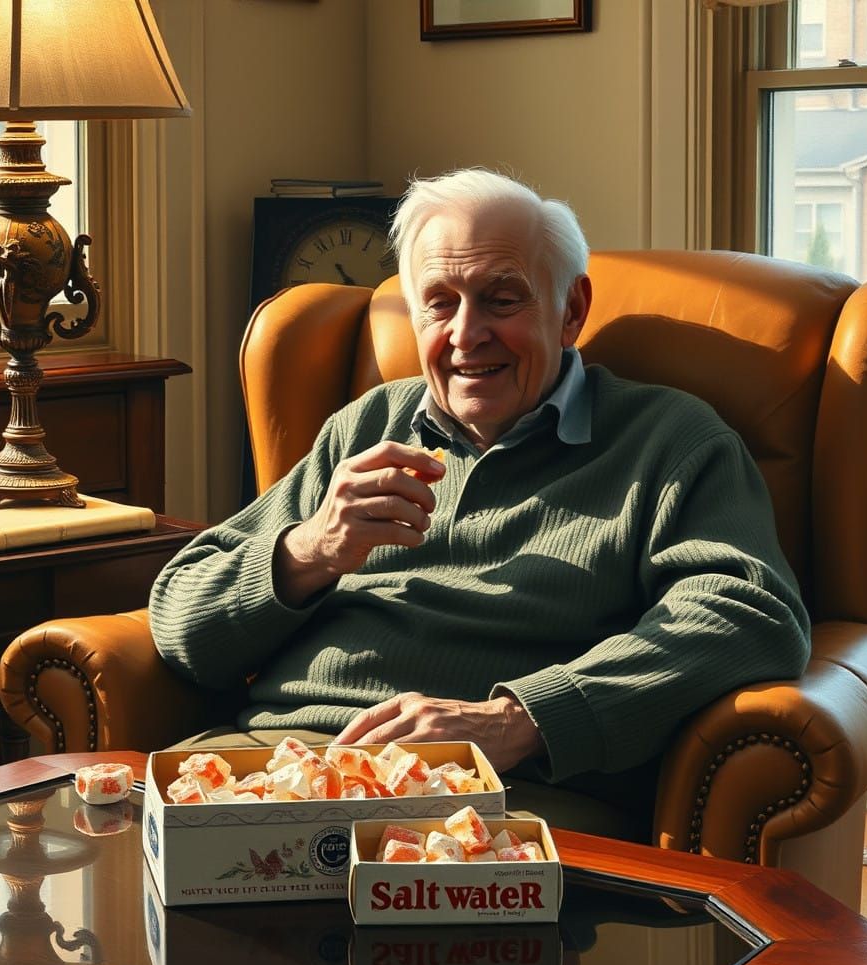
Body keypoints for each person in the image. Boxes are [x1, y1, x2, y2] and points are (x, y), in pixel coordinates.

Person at [149, 168, 810, 837]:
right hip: (279, 768)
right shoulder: (367, 425)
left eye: (501, 300)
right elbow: (179, 625)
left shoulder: (667, 442)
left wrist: (520, 719)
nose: (467, 334)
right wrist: (308, 551)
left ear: (572, 310)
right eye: (440, 302)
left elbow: (750, 615)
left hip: (487, 799)